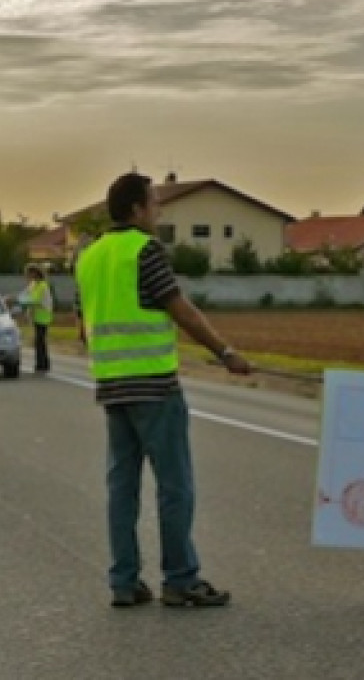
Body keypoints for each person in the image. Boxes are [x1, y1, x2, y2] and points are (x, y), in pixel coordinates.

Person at [76, 172, 252, 608]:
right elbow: (182, 311)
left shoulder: (89, 257)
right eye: (154, 203)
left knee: (122, 488)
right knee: (175, 486)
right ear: (136, 209)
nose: (159, 210)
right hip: (155, 387)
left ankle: (124, 581)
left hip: (112, 388)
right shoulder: (145, 250)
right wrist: (225, 352)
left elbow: (83, 329)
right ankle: (180, 579)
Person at [20, 265, 54, 373]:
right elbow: (25, 295)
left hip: (43, 316)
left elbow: (34, 299)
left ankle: (42, 364)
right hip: (36, 316)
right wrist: (17, 299)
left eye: (29, 273)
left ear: (34, 273)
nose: (27, 276)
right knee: (39, 341)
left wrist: (19, 301)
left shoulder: (42, 285)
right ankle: (41, 363)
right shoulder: (33, 284)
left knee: (40, 340)